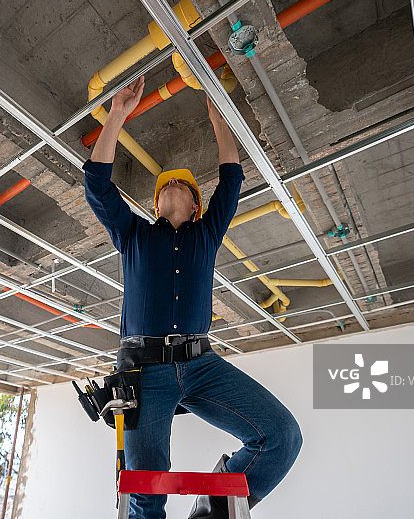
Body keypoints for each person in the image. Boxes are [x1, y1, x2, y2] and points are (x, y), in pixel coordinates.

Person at [83, 76, 302, 519]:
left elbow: (232, 178)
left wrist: (220, 120)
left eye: (181, 184)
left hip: (203, 365)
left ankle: (210, 516)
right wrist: (117, 116)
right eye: (164, 186)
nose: (172, 185)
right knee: (148, 488)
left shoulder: (207, 234)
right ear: (155, 204)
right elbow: (97, 184)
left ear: (197, 204)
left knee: (282, 436)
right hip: (144, 371)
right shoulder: (134, 235)